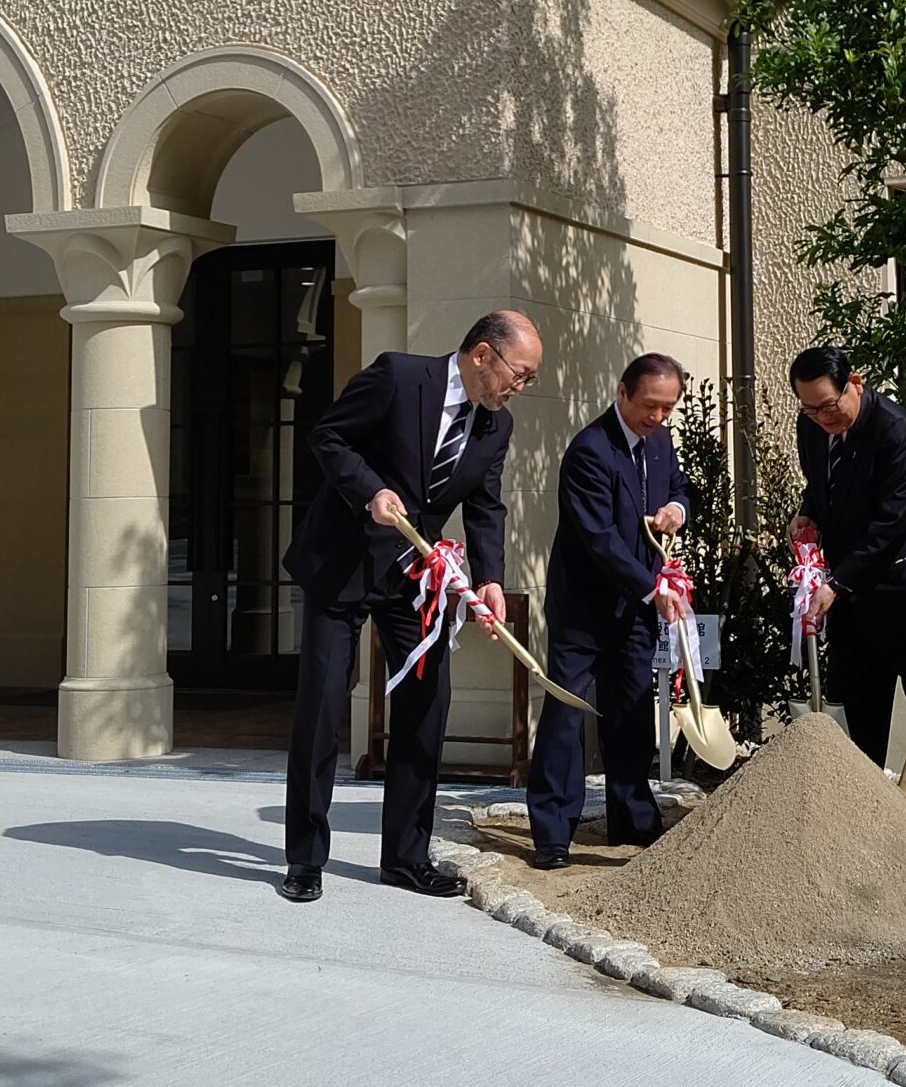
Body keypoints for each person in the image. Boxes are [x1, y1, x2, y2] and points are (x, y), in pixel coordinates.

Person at [277, 310, 539, 904]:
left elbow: (485, 507)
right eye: (517, 374)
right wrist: (370, 492)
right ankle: (305, 859)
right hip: (340, 564)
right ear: (482, 355)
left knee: (426, 704)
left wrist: (490, 580)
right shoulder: (398, 377)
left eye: (526, 379)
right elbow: (329, 436)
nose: (518, 387)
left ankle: (405, 857)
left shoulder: (496, 427)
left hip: (412, 578)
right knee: (320, 709)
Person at [786, 345, 906, 850]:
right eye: (809, 408)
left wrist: (835, 583)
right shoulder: (812, 426)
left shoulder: (896, 431)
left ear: (856, 381)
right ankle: (862, 833)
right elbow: (824, 486)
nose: (821, 418)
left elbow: (890, 525)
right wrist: (807, 514)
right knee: (858, 718)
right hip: (857, 600)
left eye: (829, 405)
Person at [523, 354, 694, 868]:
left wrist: (675, 510)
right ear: (622, 393)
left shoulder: (660, 442)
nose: (659, 418)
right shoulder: (589, 450)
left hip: (637, 608)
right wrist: (652, 588)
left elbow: (681, 488)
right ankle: (552, 832)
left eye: (669, 408)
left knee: (633, 715)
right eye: (650, 406)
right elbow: (599, 538)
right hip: (584, 607)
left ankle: (633, 817)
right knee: (566, 716)